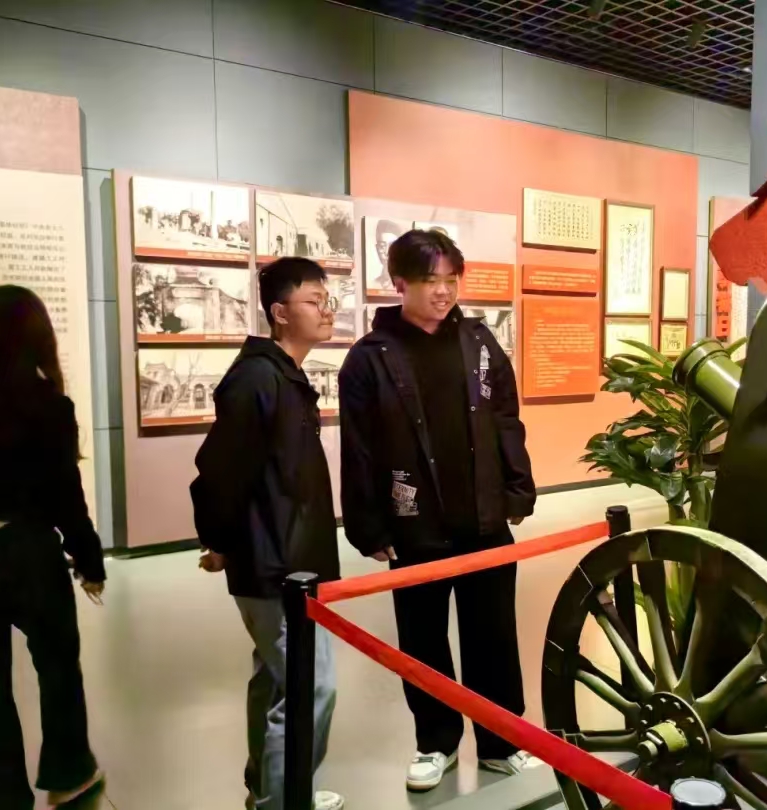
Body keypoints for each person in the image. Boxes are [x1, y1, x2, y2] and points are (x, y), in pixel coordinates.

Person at [338, 229, 539, 792]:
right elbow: (358, 449)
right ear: (399, 282)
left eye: (452, 279)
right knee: (423, 639)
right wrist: (367, 525)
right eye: (430, 280)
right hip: (414, 524)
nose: (443, 291)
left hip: (482, 517)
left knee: (493, 636)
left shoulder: (480, 343)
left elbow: (506, 419)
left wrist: (517, 488)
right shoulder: (370, 359)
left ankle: (501, 742)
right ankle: (436, 742)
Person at [190, 258, 344, 810]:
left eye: (327, 299)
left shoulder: (283, 375)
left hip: (290, 555)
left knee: (277, 680)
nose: (327, 310)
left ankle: (269, 791)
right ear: (280, 313)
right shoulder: (258, 379)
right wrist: (219, 541)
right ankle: (284, 799)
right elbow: (220, 470)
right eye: (313, 301)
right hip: (276, 563)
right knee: (309, 685)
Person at [0, 285, 106, 808]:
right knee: (57, 667)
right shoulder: (49, 405)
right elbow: (65, 496)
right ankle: (68, 770)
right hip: (30, 552)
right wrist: (90, 561)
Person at [370, 219, 405, 293]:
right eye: (382, 246)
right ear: (377, 248)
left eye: (391, 246)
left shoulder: (408, 285)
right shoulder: (373, 284)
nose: (386, 252)